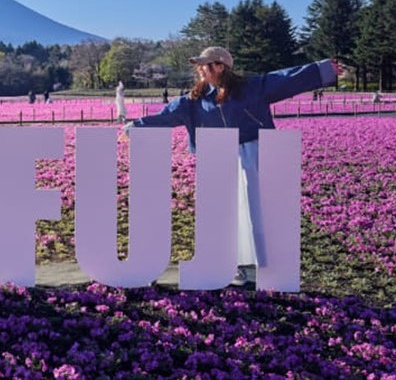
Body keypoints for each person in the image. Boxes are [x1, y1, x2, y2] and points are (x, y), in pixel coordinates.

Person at [130, 46, 342, 287]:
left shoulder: (251, 87)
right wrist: (136, 126)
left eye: (204, 64)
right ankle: (230, 265)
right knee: (224, 214)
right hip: (218, 158)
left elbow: (286, 79)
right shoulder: (195, 99)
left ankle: (257, 266)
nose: (199, 68)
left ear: (220, 66)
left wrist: (323, 70)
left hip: (253, 152)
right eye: (199, 64)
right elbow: (167, 115)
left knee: (254, 211)